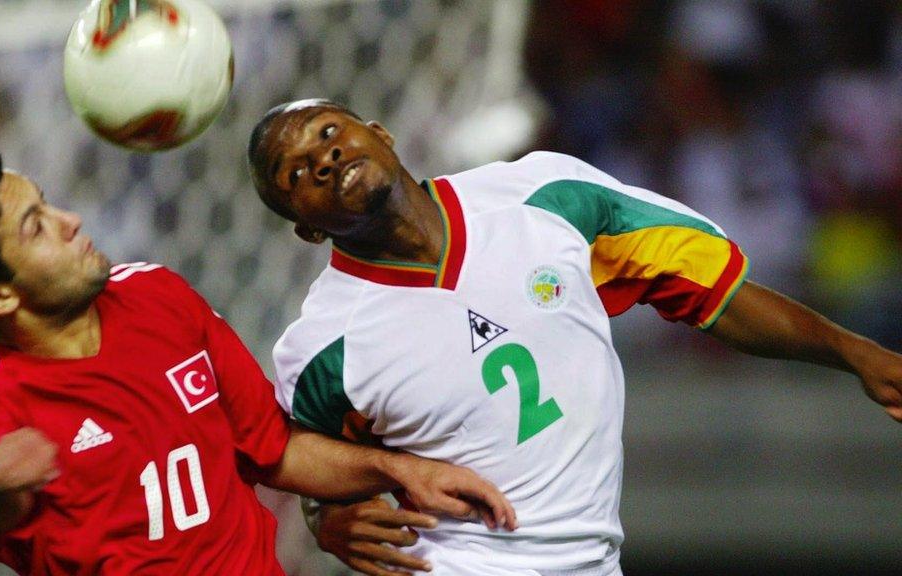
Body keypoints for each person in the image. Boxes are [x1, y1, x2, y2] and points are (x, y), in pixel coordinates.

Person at [247, 99, 902, 576]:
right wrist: (326, 520)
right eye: (296, 172)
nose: (322, 158)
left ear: (380, 133)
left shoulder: (547, 196)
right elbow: (307, 462)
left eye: (328, 133)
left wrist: (854, 353)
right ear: (307, 229)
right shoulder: (324, 346)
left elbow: (716, 297)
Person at [0, 144, 518, 576]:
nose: (71, 220)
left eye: (47, 203)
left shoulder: (157, 295)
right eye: (36, 226)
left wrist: (401, 470)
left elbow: (273, 450)